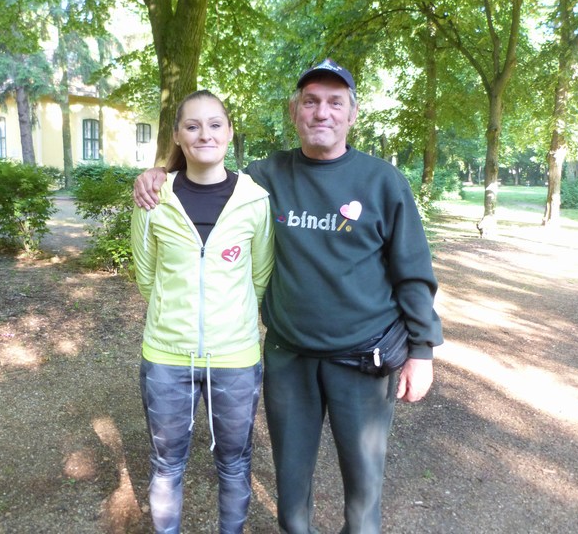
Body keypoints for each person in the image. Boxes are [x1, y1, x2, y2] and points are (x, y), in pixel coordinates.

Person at [134, 60, 443, 534]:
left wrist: (422, 350)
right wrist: (159, 173)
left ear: (352, 114)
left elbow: (414, 272)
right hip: (290, 358)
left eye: (335, 102)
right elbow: (206, 169)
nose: (322, 112)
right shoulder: (265, 178)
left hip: (363, 358)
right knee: (291, 490)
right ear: (295, 112)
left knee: (364, 491)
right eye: (311, 101)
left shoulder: (383, 182)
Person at [130, 90, 275, 534]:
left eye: (215, 124)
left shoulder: (256, 201)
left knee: (234, 463)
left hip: (234, 358)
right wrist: (175, 316)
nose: (204, 134)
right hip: (166, 356)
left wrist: (228, 322)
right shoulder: (153, 197)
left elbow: (258, 277)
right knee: (167, 464)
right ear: (177, 135)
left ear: (229, 132)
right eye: (192, 126)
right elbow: (146, 276)